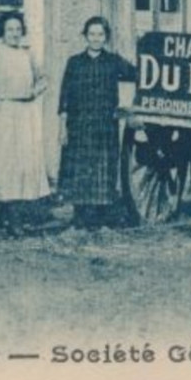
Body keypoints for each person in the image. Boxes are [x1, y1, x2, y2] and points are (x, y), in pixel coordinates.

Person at [57, 16, 137, 229]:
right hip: (79, 125)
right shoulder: (74, 62)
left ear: (106, 37)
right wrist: (63, 126)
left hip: (104, 125)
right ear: (85, 36)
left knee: (103, 168)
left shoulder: (113, 61)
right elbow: (65, 94)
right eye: (91, 34)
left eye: (100, 35)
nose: (96, 39)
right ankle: (80, 216)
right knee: (79, 169)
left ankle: (101, 217)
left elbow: (135, 73)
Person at [0, 12, 52, 236]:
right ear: (2, 32)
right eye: (10, 29)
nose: (14, 34)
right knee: (3, 165)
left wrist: (33, 91)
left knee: (22, 164)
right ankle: (12, 220)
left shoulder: (28, 54)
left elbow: (43, 78)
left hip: (23, 113)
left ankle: (6, 216)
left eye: (18, 29)